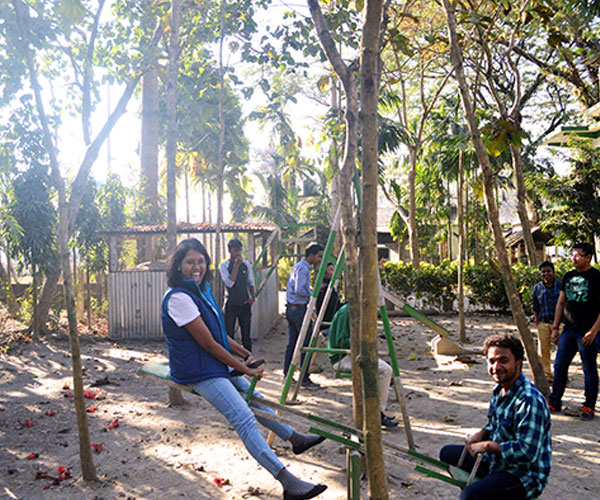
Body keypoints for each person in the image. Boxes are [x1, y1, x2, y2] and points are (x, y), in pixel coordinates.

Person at [162, 239, 327, 500]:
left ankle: (294, 438)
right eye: (190, 262)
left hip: (212, 363)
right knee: (244, 418)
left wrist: (244, 353)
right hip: (196, 370)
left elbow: (218, 335)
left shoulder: (201, 291)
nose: (197, 267)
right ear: (178, 266)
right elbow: (206, 343)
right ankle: (287, 482)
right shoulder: (178, 298)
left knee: (256, 399)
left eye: (201, 261)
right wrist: (243, 368)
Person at [439, 333, 552, 500]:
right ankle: (493, 486)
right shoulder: (499, 390)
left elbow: (526, 452)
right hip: (498, 462)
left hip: (524, 475)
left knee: (469, 496)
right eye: (492, 361)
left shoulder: (529, 400)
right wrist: (481, 434)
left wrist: (487, 446)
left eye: (503, 361)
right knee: (447, 454)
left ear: (518, 363)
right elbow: (495, 425)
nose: (496, 367)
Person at [548, 242, 600, 420]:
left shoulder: (596, 277)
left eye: (578, 255)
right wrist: (556, 327)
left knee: (589, 369)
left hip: (587, 332)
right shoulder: (568, 276)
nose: (573, 258)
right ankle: (555, 401)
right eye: (572, 254)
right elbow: (561, 302)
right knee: (560, 365)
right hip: (568, 331)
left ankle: (589, 406)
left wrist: (593, 332)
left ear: (588, 257)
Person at [327, 304, 398, 428]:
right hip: (342, 357)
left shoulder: (356, 309)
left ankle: (376, 410)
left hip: (352, 354)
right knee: (385, 370)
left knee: (383, 368)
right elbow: (341, 341)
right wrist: (365, 342)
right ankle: (378, 413)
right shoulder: (347, 312)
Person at [284, 243, 324, 389]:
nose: (320, 259)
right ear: (311, 255)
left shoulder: (299, 267)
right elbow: (300, 290)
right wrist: (314, 291)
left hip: (293, 309)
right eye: (319, 256)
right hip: (298, 309)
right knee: (306, 343)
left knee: (294, 342)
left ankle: (287, 373)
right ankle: (304, 378)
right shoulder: (303, 269)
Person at [219, 238, 256, 351]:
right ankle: (229, 361)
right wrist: (235, 266)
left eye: (240, 250)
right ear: (229, 251)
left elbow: (250, 282)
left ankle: (249, 360)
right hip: (231, 304)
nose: (238, 253)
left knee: (246, 335)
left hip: (244, 303)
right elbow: (230, 283)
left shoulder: (246, 265)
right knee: (229, 334)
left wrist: (253, 297)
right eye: (235, 250)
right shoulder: (224, 266)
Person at [531, 260, 562, 381]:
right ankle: (547, 375)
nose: (546, 274)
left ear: (553, 272)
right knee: (544, 351)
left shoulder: (560, 286)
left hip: (559, 323)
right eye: (543, 272)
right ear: (540, 274)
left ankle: (560, 375)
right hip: (544, 323)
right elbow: (535, 306)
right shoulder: (538, 288)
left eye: (548, 271)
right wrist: (537, 321)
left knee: (562, 351)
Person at [315, 262, 341, 336]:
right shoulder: (325, 289)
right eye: (331, 270)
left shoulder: (329, 287)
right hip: (328, 325)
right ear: (324, 273)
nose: (334, 272)